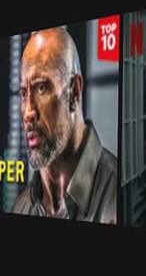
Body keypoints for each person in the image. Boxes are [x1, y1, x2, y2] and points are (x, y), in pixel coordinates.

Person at [16, 26, 119, 223]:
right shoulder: (22, 206)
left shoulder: (116, 197)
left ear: (74, 91)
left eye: (41, 87)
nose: (28, 112)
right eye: (23, 94)